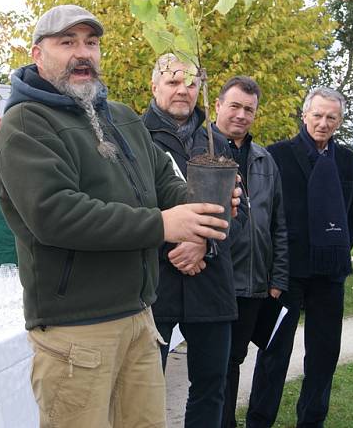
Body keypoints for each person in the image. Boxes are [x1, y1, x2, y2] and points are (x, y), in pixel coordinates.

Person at [0, 5, 239, 428]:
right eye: (67, 42)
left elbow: (166, 185)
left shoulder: (122, 117)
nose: (82, 53)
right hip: (76, 329)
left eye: (91, 42)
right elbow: (56, 215)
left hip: (139, 318)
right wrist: (164, 225)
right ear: (37, 54)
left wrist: (204, 209)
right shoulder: (25, 123)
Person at [246, 87, 353, 428]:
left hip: (329, 275)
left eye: (331, 117)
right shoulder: (276, 156)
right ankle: (259, 420)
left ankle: (312, 420)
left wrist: (335, 249)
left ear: (339, 121)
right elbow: (264, 213)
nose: (323, 123)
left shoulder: (348, 161)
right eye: (318, 115)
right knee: (274, 353)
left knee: (324, 355)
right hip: (287, 272)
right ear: (304, 115)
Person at [141, 54, 239, 427]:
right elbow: (132, 206)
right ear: (154, 86)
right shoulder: (133, 136)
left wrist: (203, 244)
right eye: (172, 81)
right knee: (144, 387)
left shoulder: (218, 141)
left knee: (211, 386)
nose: (183, 89)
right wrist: (177, 247)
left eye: (192, 82)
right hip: (155, 282)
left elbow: (236, 211)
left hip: (211, 279)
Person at [210, 76, 289, 428]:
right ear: (218, 105)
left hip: (254, 284)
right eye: (235, 106)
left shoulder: (264, 160)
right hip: (213, 278)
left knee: (235, 360)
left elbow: (279, 224)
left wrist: (278, 277)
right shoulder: (202, 151)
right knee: (215, 366)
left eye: (249, 110)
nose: (241, 115)